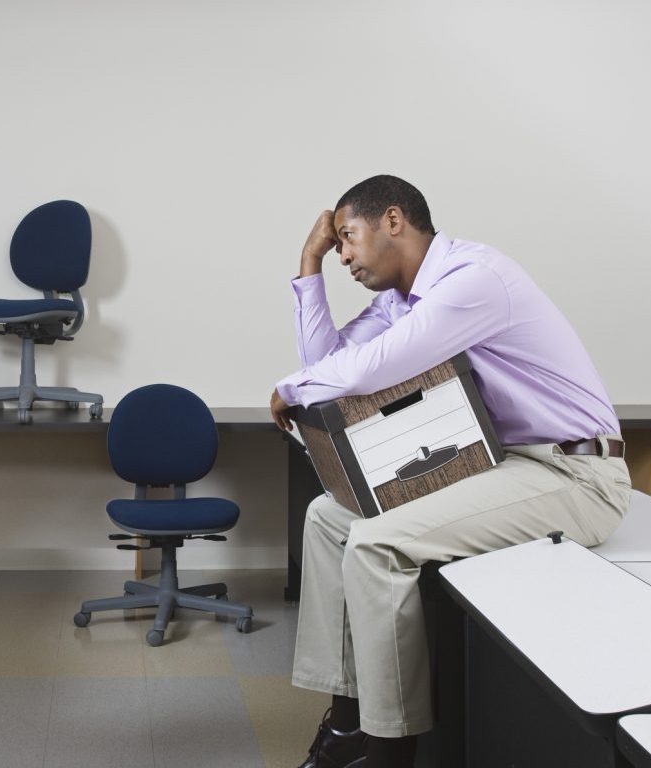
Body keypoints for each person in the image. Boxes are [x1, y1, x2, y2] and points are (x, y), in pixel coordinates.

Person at [270, 175, 631, 768]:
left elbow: (374, 368)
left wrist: (291, 388)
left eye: (346, 238)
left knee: (376, 543)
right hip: (508, 465)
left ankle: (391, 752)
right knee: (327, 518)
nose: (343, 256)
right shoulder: (400, 300)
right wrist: (308, 268)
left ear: (393, 220)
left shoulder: (473, 279)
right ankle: (346, 727)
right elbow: (330, 371)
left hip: (578, 477)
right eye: (334, 247)